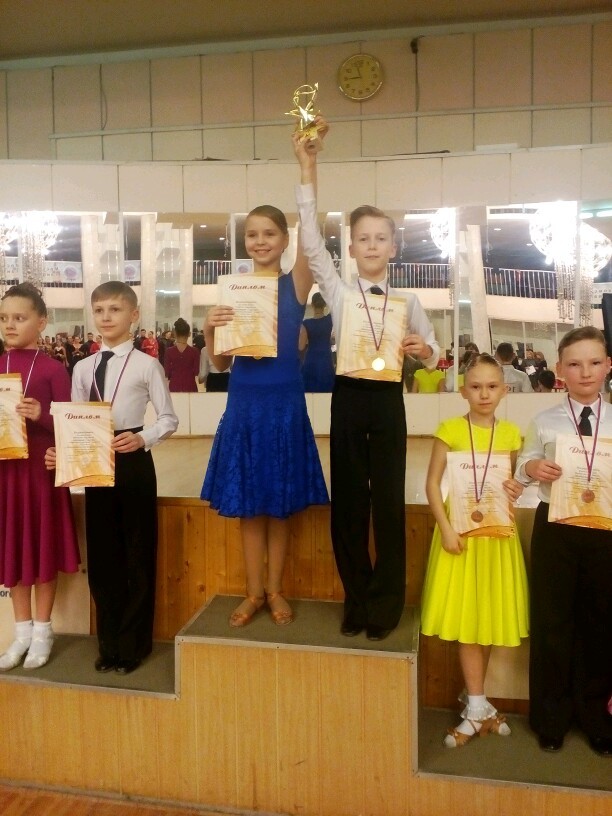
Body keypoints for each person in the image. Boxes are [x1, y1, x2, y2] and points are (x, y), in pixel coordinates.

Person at [294, 121, 439, 640]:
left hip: (388, 402)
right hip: (350, 399)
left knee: (389, 504)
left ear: (394, 247)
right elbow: (311, 242)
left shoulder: (409, 301)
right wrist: (308, 168)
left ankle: (386, 603)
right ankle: (356, 599)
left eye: (381, 238)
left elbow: (434, 354)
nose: (372, 245)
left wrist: (425, 351)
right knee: (350, 504)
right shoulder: (337, 290)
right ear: (351, 248)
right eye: (362, 238)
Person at [201, 199, 329, 629]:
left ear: (285, 240)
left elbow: (312, 233)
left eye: (269, 233)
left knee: (279, 505)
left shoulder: (296, 284)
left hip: (284, 406)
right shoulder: (233, 290)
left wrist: (307, 170)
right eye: (252, 234)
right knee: (251, 506)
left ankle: (274, 590)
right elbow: (220, 364)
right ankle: (254, 591)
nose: (260, 241)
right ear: (244, 242)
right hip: (244, 406)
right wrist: (208, 328)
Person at [48, 281, 178, 675]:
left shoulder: (147, 365)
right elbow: (74, 419)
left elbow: (169, 418)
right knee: (103, 556)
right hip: (94, 459)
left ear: (134, 315)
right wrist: (63, 451)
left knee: (137, 552)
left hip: (133, 459)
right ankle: (108, 645)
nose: (106, 317)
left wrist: (143, 437)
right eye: (100, 310)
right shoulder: (82, 367)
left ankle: (133, 645)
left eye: (115, 310)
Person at [420, 353, 528, 746]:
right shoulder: (450, 429)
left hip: (497, 538)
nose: (484, 394)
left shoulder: (512, 434)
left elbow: (512, 485)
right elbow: (432, 484)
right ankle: (479, 707)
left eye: (492, 386)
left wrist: (517, 487)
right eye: (476, 386)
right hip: (460, 536)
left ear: (505, 390)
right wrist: (446, 529)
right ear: (463, 391)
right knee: (468, 618)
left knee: (488, 617)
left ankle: (476, 703)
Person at [515, 326, 612, 756]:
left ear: (608, 366)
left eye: (594, 362)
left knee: (600, 622)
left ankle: (596, 717)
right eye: (574, 364)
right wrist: (533, 468)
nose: (585, 372)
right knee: (551, 622)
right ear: (559, 369)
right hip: (555, 525)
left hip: (605, 529)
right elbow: (522, 466)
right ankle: (550, 717)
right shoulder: (545, 420)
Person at [0, 283, 80, 671]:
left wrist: (42, 416)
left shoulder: (53, 369)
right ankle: (21, 633)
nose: (10, 325)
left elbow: (72, 426)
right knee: (14, 550)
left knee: (42, 548)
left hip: (40, 474)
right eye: (4, 318)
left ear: (41, 322)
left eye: (19, 317)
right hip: (6, 474)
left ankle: (44, 630)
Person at [299, 291, 335, 392]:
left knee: (310, 391)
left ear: (312, 304)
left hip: (311, 358)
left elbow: (301, 346)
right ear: (325, 304)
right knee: (326, 390)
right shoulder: (329, 320)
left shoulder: (306, 323)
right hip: (325, 358)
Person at [163, 317, 200, 392]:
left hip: (174, 385)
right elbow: (196, 371)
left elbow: (167, 372)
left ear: (175, 334)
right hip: (190, 385)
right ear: (189, 334)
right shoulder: (195, 351)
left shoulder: (169, 351)